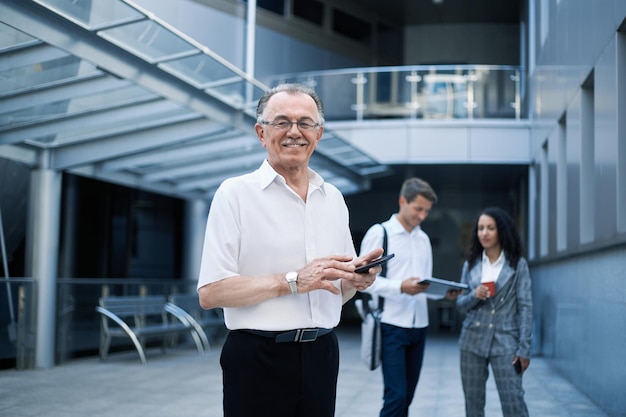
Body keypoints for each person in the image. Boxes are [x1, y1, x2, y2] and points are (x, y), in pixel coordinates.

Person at [196, 83, 384, 417]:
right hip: (257, 357)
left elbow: (333, 290)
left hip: (323, 353)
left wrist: (354, 281)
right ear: (261, 132)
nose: (294, 132)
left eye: (305, 123)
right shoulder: (234, 195)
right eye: (282, 122)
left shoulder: (334, 199)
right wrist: (293, 280)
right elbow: (211, 293)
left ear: (319, 133)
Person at [359, 177, 459, 417]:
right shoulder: (379, 233)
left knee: (408, 397)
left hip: (419, 326)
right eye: (418, 209)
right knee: (396, 397)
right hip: (391, 324)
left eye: (426, 211)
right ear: (402, 201)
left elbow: (423, 283)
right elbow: (362, 282)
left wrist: (444, 293)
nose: (422, 216)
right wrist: (399, 287)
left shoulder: (423, 239)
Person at [456, 207, 533, 417]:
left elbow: (525, 307)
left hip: (506, 342)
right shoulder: (470, 265)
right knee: (473, 407)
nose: (484, 233)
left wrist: (524, 348)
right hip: (471, 342)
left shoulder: (518, 265)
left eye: (490, 228)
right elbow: (460, 304)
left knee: (514, 404)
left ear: (502, 231)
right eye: (480, 228)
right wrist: (474, 295)